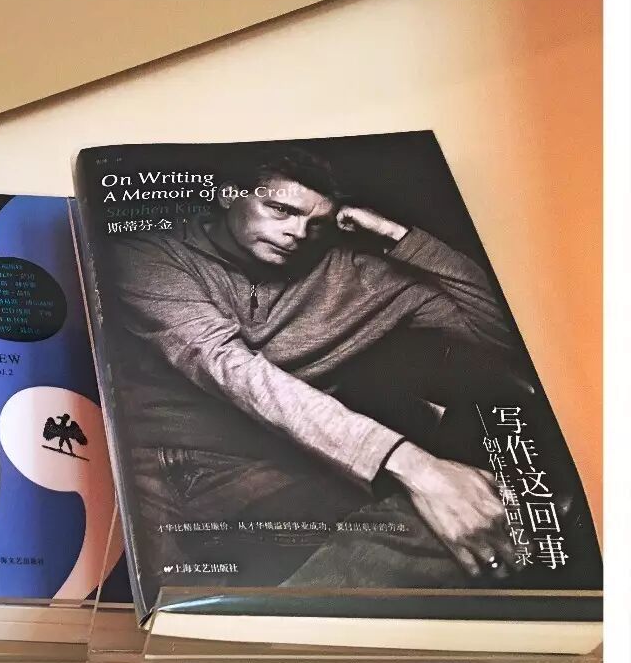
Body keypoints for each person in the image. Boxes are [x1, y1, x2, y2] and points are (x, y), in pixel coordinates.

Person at [107, 146, 521, 595]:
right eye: (281, 210)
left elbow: (502, 335)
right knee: (153, 598)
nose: (298, 233)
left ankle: (279, 621)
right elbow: (230, 367)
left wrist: (399, 236)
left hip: (270, 467)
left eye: (316, 223)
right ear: (229, 195)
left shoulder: (358, 276)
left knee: (462, 525)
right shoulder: (149, 257)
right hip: (152, 464)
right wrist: (414, 465)